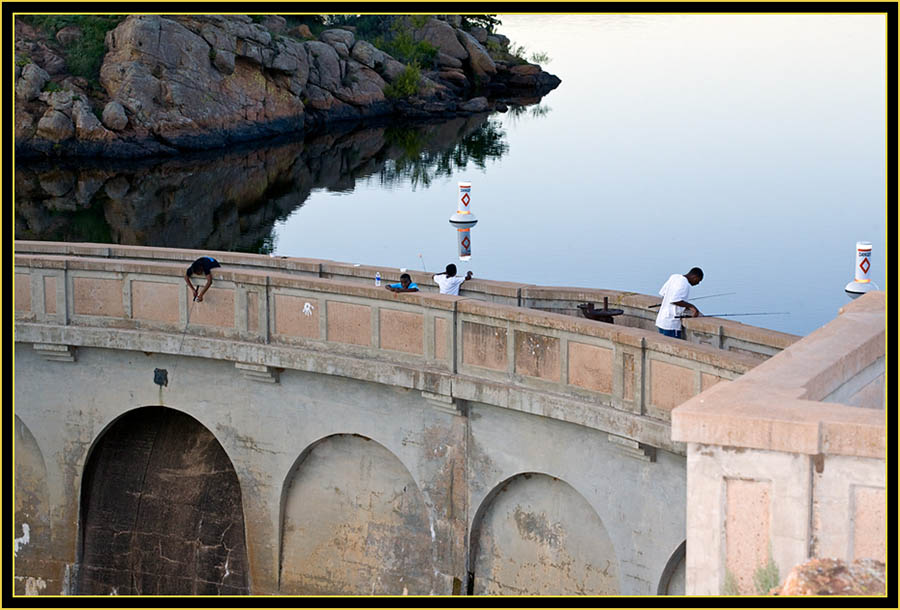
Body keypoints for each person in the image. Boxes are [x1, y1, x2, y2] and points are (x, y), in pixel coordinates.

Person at [655, 267, 703, 339]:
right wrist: (692, 307)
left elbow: (663, 293)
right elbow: (675, 300)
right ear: (694, 277)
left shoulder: (674, 277)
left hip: (661, 320)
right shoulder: (685, 284)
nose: (698, 283)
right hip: (671, 324)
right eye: (698, 280)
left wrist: (684, 304)